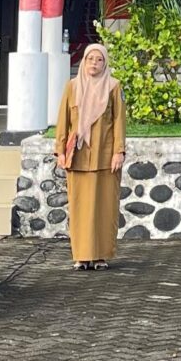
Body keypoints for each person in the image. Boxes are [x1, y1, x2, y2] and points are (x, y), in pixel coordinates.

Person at [55, 42, 128, 270]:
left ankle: (100, 256)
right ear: (83, 61)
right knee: (80, 209)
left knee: (104, 207)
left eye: (99, 59)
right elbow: (63, 121)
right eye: (90, 59)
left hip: (104, 158)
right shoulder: (72, 87)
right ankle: (82, 256)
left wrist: (118, 151)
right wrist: (60, 150)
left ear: (105, 63)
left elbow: (119, 121)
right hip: (77, 157)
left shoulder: (113, 87)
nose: (94, 63)